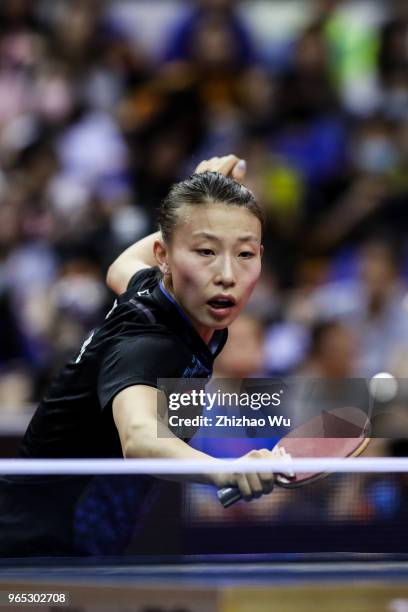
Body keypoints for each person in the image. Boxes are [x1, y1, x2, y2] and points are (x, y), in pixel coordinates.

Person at [0, 154, 290, 557]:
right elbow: (139, 437)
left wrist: (189, 210)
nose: (227, 274)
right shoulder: (148, 340)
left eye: (244, 254)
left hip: (86, 552)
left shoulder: (159, 296)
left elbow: (123, 264)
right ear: (164, 257)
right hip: (35, 560)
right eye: (205, 251)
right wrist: (228, 467)